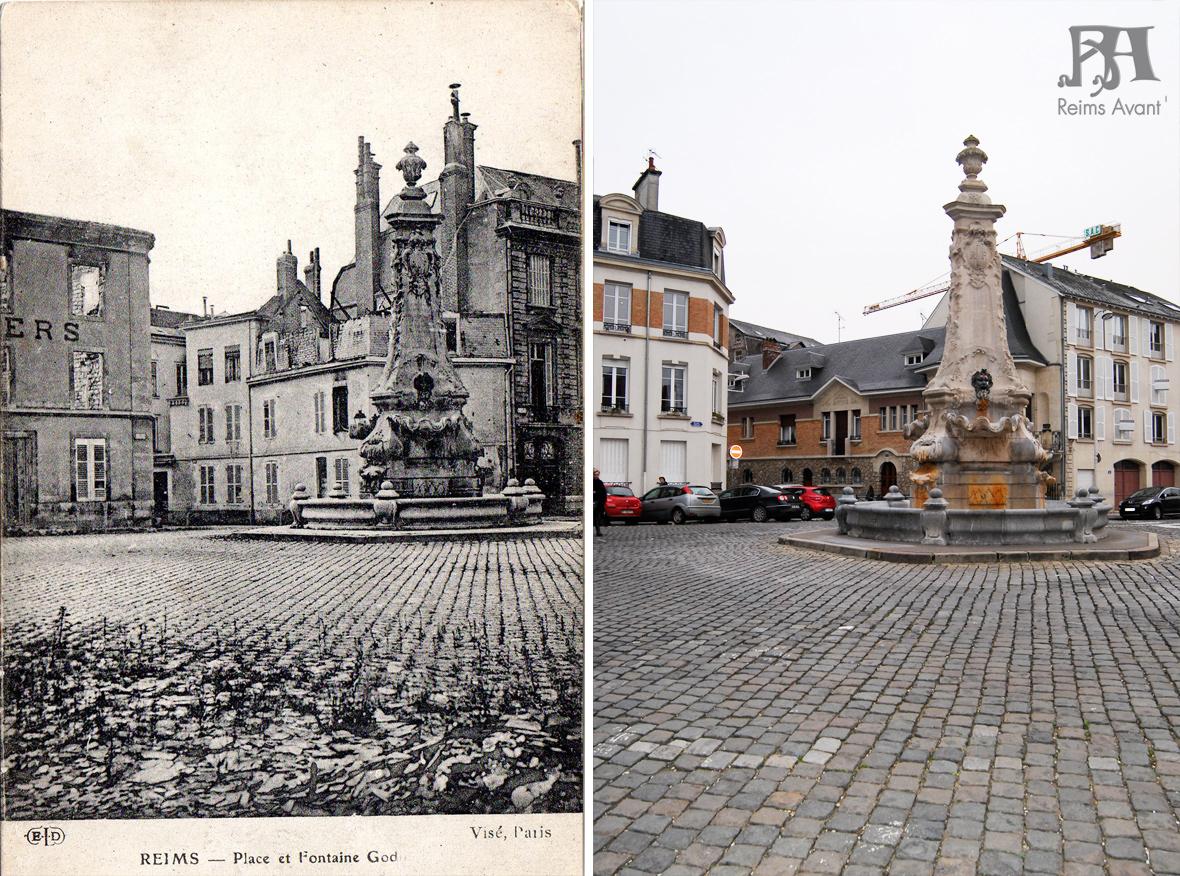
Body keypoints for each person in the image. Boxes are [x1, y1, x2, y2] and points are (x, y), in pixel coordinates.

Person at [593, 468, 607, 536]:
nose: (596, 476)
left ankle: (598, 531)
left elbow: (603, 493)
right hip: (593, 501)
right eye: (595, 474)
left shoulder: (600, 482)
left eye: (597, 474)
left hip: (598, 502)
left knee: (597, 517)